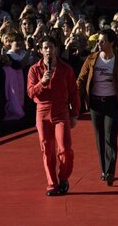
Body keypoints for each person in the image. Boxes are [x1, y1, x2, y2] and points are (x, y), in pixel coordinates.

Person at [77, 29, 118, 186]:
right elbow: (81, 79)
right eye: (98, 41)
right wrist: (75, 98)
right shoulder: (91, 59)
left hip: (112, 103)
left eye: (103, 41)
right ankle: (103, 169)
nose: (99, 44)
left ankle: (110, 171)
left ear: (112, 43)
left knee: (110, 137)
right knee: (99, 137)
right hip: (95, 104)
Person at [27, 36, 80, 196]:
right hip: (42, 112)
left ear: (56, 49)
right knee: (46, 149)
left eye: (51, 47)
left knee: (65, 148)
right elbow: (30, 93)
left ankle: (63, 177)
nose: (49, 50)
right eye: (45, 47)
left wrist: (74, 113)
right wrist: (42, 82)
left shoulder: (66, 69)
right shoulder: (34, 70)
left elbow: (73, 92)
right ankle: (52, 184)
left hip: (61, 111)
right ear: (40, 50)